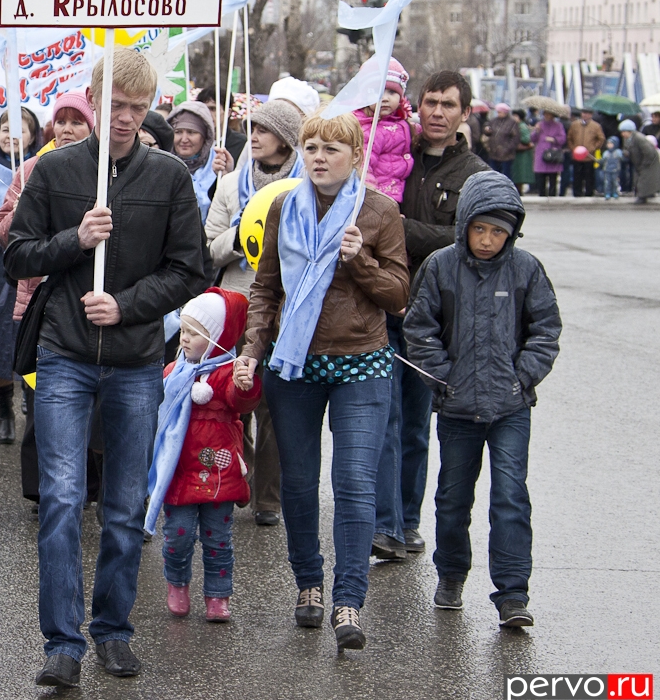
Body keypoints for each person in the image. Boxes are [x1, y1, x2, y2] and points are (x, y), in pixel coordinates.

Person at [4, 46, 208, 686]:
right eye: (115, 105)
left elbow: (189, 270)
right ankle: (62, 643)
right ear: (92, 101)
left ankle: (113, 630)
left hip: (137, 359)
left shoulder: (169, 177)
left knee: (124, 505)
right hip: (64, 353)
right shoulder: (54, 169)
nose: (125, 118)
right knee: (63, 498)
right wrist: (77, 240)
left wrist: (126, 306)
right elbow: (16, 255)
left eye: (138, 108)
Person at [236, 109, 408, 651]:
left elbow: (399, 295)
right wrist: (251, 350)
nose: (318, 157)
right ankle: (309, 583)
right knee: (298, 481)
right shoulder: (283, 206)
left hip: (361, 363)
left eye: (331, 149)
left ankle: (349, 600)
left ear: (355, 156)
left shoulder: (379, 211)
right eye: (310, 147)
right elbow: (265, 287)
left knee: (354, 483)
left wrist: (360, 262)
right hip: (295, 364)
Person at [403, 171, 560, 627]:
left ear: (512, 233)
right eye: (480, 229)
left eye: (498, 231)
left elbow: (545, 329)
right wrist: (445, 377)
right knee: (453, 498)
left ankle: (512, 594)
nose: (488, 240)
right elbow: (419, 328)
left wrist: (521, 377)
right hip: (457, 408)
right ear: (464, 225)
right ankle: (451, 574)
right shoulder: (440, 266)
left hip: (510, 408)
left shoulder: (526, 269)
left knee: (511, 496)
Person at [374, 71, 489, 561]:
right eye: (430, 102)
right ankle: (384, 524)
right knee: (383, 416)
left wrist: (401, 227)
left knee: (416, 424)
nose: (437, 112)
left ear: (465, 113)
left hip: (432, 314)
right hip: (381, 302)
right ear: (416, 105)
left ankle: (407, 521)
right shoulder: (395, 150)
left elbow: (467, 239)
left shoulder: (475, 174)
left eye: (448, 104)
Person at [203, 98, 303, 527]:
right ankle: (235, 478)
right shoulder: (230, 185)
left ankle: (268, 498)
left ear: (285, 138)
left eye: (264, 130)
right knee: (233, 396)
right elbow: (210, 247)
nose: (254, 137)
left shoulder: (306, 184)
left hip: (287, 305)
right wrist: (242, 231)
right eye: (253, 128)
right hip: (238, 302)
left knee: (274, 404)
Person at [0, 92, 96, 505]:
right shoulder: (31, 169)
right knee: (44, 404)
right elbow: (5, 231)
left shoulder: (103, 169)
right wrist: (24, 211)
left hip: (90, 302)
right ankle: (44, 492)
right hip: (39, 304)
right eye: (62, 122)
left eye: (78, 122)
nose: (68, 129)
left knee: (91, 405)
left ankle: (89, 487)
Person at [146, 288, 259, 623]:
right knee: (178, 537)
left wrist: (246, 384)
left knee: (218, 540)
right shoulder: (173, 372)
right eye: (183, 330)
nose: (184, 338)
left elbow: (241, 401)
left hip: (219, 473)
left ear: (216, 340)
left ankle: (218, 595)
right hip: (180, 471)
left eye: (194, 334)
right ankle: (177, 583)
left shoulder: (227, 373)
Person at [0, 108, 39, 444]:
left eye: (19, 130)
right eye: (4, 129)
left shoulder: (43, 167)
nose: (10, 136)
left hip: (30, 265)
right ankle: (4, 412)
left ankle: (30, 401)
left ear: (33, 136)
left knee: (28, 341)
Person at [354, 58, 415, 202]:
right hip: (379, 198)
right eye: (378, 91)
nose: (385, 98)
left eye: (392, 92)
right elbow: (364, 166)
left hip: (397, 194)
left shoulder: (399, 122)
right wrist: (372, 197)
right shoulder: (369, 128)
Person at [167, 101, 222, 223]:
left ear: (205, 136)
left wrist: (225, 177)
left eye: (191, 132)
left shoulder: (219, 163)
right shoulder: (161, 164)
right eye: (178, 132)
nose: (184, 139)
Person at [620, 120, 659, 203]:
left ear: (630, 131)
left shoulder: (639, 138)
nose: (622, 134)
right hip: (640, 162)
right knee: (641, 178)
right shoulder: (627, 139)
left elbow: (648, 152)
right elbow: (628, 149)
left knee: (644, 179)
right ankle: (648, 193)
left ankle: (642, 197)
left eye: (624, 131)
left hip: (648, 162)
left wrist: (644, 164)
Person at [566, 110, 604, 197]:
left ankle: (589, 193)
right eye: (583, 113)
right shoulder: (574, 125)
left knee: (589, 176)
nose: (585, 115)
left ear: (591, 115)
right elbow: (569, 138)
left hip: (589, 156)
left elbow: (601, 139)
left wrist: (593, 148)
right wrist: (573, 148)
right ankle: (577, 193)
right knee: (577, 175)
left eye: (587, 113)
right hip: (577, 156)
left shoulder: (596, 126)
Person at [530, 110, 566, 198]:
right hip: (540, 155)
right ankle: (542, 196)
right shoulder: (539, 124)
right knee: (540, 179)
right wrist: (536, 131)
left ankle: (552, 196)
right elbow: (532, 139)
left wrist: (554, 139)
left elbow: (563, 139)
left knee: (553, 179)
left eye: (548, 114)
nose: (546, 116)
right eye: (545, 114)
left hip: (553, 154)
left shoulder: (558, 125)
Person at [482, 103, 520, 180]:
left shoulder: (512, 122)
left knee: (506, 175)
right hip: (494, 153)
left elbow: (515, 139)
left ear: (505, 112)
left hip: (506, 155)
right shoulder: (493, 121)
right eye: (497, 112)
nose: (498, 114)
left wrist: (507, 149)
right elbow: (487, 131)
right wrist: (487, 131)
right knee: (494, 175)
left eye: (500, 112)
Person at [511, 110, 535, 195]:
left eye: (515, 116)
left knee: (519, 173)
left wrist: (515, 138)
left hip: (522, 154)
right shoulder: (516, 125)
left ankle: (519, 191)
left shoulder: (522, 126)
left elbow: (526, 139)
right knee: (517, 173)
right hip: (517, 153)